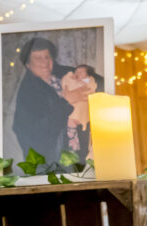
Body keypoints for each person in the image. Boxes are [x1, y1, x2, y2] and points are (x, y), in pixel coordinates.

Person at [10, 37, 101, 165]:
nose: (45, 62)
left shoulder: (65, 72)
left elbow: (99, 80)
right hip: (57, 161)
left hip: (83, 148)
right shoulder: (27, 94)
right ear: (28, 65)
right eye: (38, 58)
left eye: (47, 56)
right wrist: (65, 102)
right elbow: (35, 133)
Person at [61, 64, 97, 149]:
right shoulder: (71, 79)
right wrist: (70, 77)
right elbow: (65, 85)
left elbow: (91, 90)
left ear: (88, 75)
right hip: (71, 109)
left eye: (81, 72)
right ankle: (73, 144)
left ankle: (74, 144)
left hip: (81, 111)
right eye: (76, 72)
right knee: (70, 123)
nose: (77, 74)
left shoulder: (90, 82)